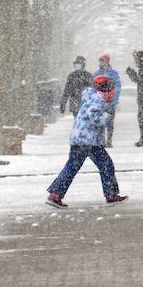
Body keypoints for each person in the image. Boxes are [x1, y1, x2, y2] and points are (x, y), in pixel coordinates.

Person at [47, 74, 128, 207]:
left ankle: (56, 193)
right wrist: (106, 118)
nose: (112, 92)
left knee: (75, 166)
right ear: (106, 89)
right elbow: (93, 116)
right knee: (104, 165)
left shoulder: (93, 98)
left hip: (84, 140)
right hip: (87, 141)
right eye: (111, 89)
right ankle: (111, 194)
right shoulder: (98, 100)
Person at [97, 54, 121, 147]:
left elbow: (117, 87)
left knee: (110, 122)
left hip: (110, 102)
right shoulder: (97, 73)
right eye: (100, 61)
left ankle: (109, 140)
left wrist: (114, 100)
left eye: (102, 61)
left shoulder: (113, 74)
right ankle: (102, 140)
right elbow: (93, 88)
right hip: (100, 103)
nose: (101, 63)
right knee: (100, 123)